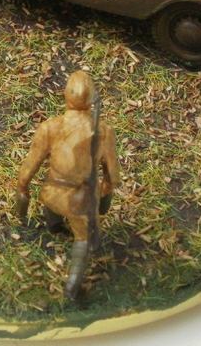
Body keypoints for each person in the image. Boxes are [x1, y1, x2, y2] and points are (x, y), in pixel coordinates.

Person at [16, 71, 120, 299]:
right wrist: (107, 191)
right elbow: (112, 173)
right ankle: (73, 283)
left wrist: (23, 187)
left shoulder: (50, 127)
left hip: (51, 193)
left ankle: (54, 225)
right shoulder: (104, 132)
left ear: (65, 96)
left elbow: (31, 163)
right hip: (80, 202)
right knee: (84, 237)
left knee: (53, 201)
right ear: (92, 100)